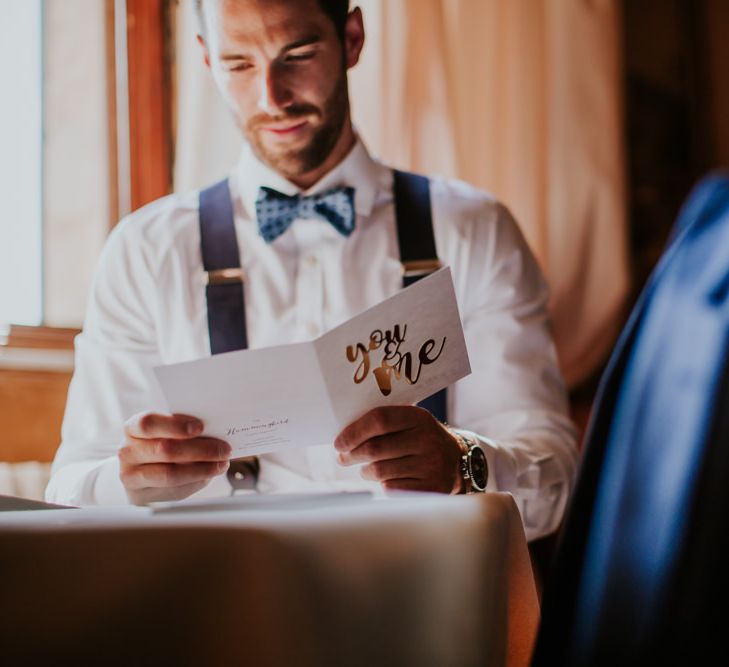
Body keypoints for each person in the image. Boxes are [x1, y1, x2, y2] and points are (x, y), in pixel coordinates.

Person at [46, 0, 578, 541]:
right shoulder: (144, 250)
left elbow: (555, 479)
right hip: (223, 601)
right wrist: (130, 482)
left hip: (427, 594)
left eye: (297, 55)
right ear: (206, 60)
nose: (271, 96)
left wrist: (464, 463)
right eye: (239, 65)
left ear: (352, 38)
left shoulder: (474, 230)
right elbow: (68, 490)